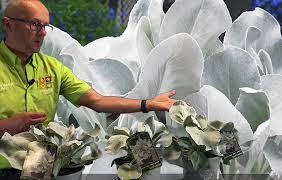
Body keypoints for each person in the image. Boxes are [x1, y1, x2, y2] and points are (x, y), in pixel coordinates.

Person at [0, 0, 176, 171]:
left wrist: (148, 104)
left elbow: (97, 101)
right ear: (8, 24)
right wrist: (9, 125)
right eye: (34, 24)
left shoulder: (52, 68)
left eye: (45, 26)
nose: (43, 33)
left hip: (39, 159)